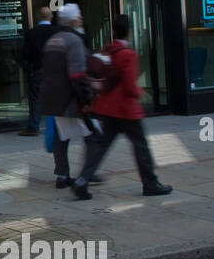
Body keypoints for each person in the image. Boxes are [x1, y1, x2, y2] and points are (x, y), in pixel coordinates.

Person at [70, 13, 173, 200]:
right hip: (126, 110)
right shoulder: (127, 54)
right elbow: (129, 86)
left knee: (101, 146)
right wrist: (141, 93)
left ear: (113, 32)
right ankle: (150, 183)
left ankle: (82, 180)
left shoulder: (106, 51)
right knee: (141, 146)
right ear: (129, 32)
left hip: (106, 109)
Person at [38, 3, 103, 189]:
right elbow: (77, 74)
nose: (81, 20)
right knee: (93, 136)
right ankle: (86, 176)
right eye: (80, 17)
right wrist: (87, 98)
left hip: (54, 98)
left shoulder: (53, 40)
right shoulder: (74, 41)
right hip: (71, 99)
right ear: (73, 20)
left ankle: (62, 175)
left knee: (61, 137)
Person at [19, 7, 55, 136]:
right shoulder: (56, 31)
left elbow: (25, 53)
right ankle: (58, 125)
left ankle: (34, 126)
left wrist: (27, 67)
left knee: (35, 98)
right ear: (51, 17)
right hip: (54, 71)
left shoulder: (31, 33)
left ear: (38, 17)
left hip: (38, 69)